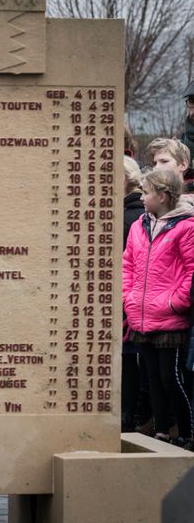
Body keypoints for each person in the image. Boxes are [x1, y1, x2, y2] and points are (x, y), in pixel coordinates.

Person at [122, 169, 194, 450]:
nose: (142, 197)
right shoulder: (140, 224)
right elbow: (127, 264)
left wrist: (176, 303)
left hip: (169, 317)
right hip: (142, 313)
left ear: (162, 196)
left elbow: (191, 271)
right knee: (151, 378)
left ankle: (187, 430)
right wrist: (128, 298)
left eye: (146, 192)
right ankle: (162, 429)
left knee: (170, 377)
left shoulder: (186, 227)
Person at [121, 155, 149, 432]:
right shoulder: (135, 215)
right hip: (131, 298)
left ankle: (128, 419)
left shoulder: (129, 218)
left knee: (128, 358)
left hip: (128, 301)